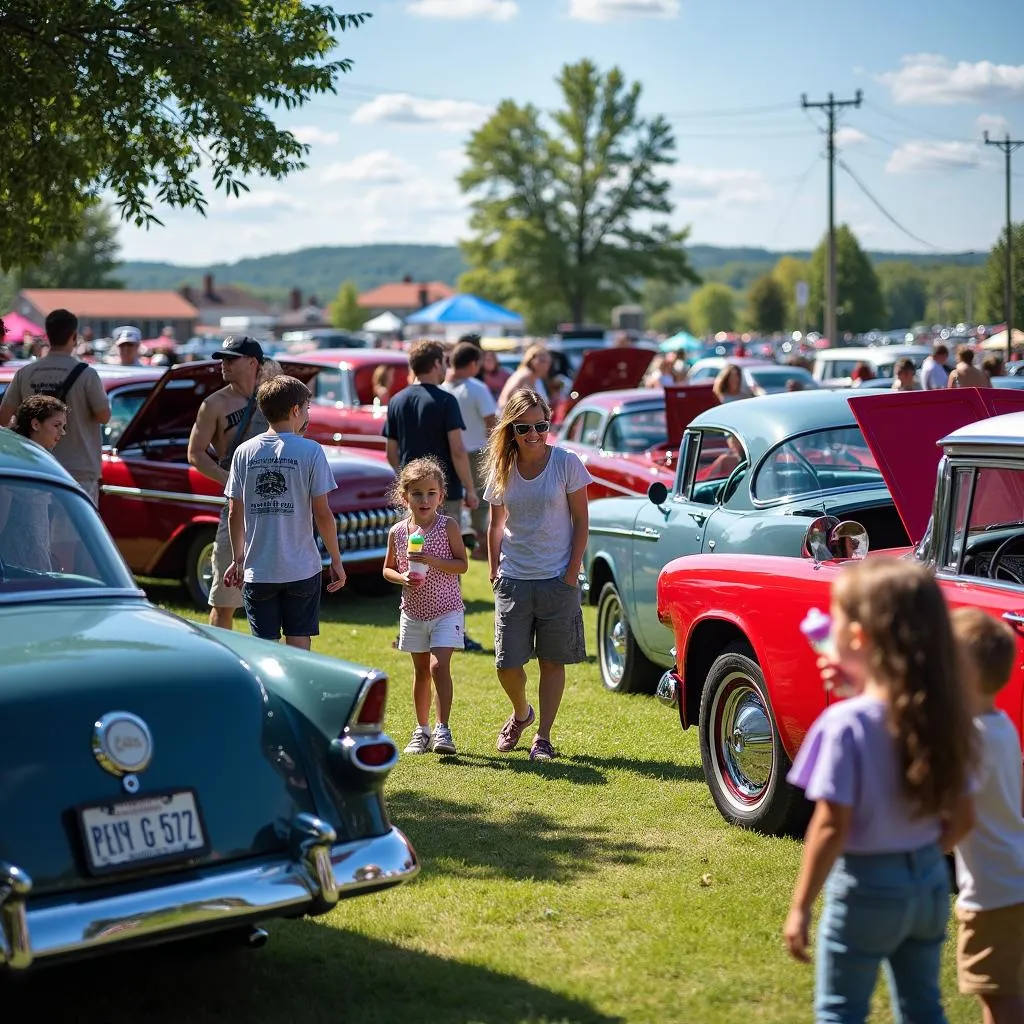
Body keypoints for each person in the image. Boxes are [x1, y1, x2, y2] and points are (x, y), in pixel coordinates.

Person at [782, 558, 976, 1023]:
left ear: (857, 638)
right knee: (923, 1008)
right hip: (928, 881)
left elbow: (831, 825)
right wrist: (923, 858)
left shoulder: (844, 724)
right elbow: (965, 818)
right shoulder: (945, 718)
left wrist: (800, 907)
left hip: (867, 887)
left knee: (840, 1011)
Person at [483, 389, 593, 762]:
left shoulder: (567, 463)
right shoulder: (501, 466)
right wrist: (493, 568)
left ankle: (543, 737)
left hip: (557, 578)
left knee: (551, 661)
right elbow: (495, 524)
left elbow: (581, 520)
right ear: (511, 428)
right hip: (514, 577)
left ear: (549, 424)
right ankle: (521, 713)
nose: (533, 434)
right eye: (524, 427)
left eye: (541, 426)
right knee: (507, 664)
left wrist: (571, 572)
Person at [223, 375, 346, 648]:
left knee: (264, 645)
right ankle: (298, 691)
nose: (307, 413)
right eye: (307, 408)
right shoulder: (311, 451)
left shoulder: (244, 452)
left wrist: (238, 559)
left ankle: (270, 691)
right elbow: (323, 513)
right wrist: (335, 559)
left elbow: (234, 512)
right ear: (295, 410)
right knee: (299, 639)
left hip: (259, 569)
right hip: (302, 568)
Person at [949, 608, 1024, 1024]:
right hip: (1014, 875)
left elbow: (960, 818)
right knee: (1006, 989)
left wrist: (922, 853)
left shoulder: (969, 741)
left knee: (998, 997)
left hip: (992, 893)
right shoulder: (1001, 727)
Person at [385, 339, 482, 652]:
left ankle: (408, 629)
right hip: (442, 492)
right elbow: (456, 448)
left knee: (408, 561)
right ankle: (455, 630)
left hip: (412, 495)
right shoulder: (446, 400)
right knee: (449, 560)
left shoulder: (397, 400)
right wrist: (468, 486)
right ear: (437, 364)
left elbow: (391, 450)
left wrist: (407, 485)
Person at [383, 457, 468, 756]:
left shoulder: (448, 526)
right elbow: (388, 569)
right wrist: (402, 577)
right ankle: (422, 730)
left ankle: (443, 729)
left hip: (447, 609)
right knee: (421, 670)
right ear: (404, 496)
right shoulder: (399, 532)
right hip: (413, 611)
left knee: (438, 665)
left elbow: (462, 565)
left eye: (431, 493)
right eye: (417, 493)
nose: (424, 499)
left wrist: (433, 560)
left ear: (441, 496)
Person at [187, 336, 270, 630]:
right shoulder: (214, 404)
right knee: (225, 598)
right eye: (222, 358)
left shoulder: (275, 397)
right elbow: (195, 453)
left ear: (252, 363)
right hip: (237, 509)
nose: (224, 364)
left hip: (277, 509)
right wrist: (230, 480)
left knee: (276, 596)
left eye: (231, 358)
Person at [0, 308, 111, 505]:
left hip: (35, 469)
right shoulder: (87, 375)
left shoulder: (25, 373)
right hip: (78, 472)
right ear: (74, 337)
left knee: (38, 533)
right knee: (73, 535)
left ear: (48, 335)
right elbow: (104, 416)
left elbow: (2, 418)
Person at [0, 395, 69, 572]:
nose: (61, 432)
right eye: (56, 425)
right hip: (16, 553)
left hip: (35, 546)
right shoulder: (18, 458)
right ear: (35, 424)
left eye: (63, 426)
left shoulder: (40, 457)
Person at [444, 341, 497, 558]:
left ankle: (456, 544)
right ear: (474, 363)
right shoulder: (477, 388)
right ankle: (481, 548)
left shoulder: (442, 389)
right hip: (477, 452)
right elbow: (491, 422)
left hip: (450, 453)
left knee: (453, 501)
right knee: (482, 502)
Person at [498, 344, 552, 410]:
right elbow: (506, 403)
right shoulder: (524, 376)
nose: (545, 365)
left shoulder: (536, 378)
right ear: (531, 360)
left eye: (548, 362)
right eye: (542, 361)